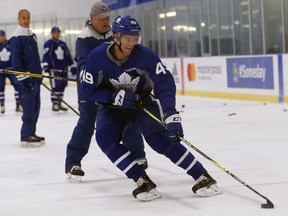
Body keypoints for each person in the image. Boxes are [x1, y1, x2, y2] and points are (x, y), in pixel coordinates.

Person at [80, 15, 222, 201]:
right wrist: (112, 97)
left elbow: (164, 82)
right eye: (127, 39)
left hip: (142, 104)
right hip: (112, 108)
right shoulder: (97, 57)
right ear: (116, 37)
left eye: (135, 39)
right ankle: (142, 180)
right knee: (104, 137)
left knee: (160, 141)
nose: (131, 44)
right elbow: (86, 89)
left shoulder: (145, 56)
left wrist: (171, 114)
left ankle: (203, 176)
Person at [65, 2, 147, 182]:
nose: (105, 21)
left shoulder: (115, 33)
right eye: (101, 18)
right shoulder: (84, 38)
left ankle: (137, 155)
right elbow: (84, 64)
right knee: (87, 122)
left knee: (127, 118)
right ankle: (73, 163)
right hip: (91, 89)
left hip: (116, 86)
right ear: (92, 18)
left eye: (108, 17)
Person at [9, 9, 45, 147]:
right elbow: (16, 61)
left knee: (36, 107)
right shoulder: (16, 37)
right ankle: (26, 134)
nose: (26, 20)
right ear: (18, 19)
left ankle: (32, 132)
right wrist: (24, 78)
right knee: (29, 108)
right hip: (26, 80)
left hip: (35, 78)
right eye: (23, 18)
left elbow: (35, 58)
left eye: (28, 17)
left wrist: (39, 75)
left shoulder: (32, 35)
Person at [42, 26, 75, 112]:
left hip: (64, 69)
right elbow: (46, 55)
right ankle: (55, 103)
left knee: (62, 86)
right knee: (56, 86)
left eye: (58, 32)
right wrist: (45, 64)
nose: (57, 34)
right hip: (54, 70)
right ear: (52, 33)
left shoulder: (63, 44)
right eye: (55, 32)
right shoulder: (48, 43)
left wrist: (72, 65)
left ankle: (59, 102)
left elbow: (68, 56)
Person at [0, 29, 22, 114]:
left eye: (2, 36)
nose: (1, 37)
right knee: (0, 88)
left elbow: (16, 55)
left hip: (11, 70)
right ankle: (2, 105)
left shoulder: (10, 44)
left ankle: (18, 104)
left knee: (17, 86)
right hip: (0, 71)